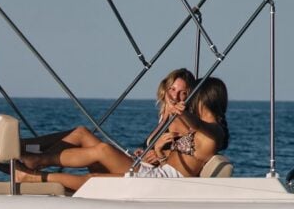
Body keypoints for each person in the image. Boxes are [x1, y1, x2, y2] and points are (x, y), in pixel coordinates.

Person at [14, 77, 229, 192]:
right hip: (156, 171)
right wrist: (157, 152)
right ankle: (29, 151)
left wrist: (180, 113)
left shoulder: (214, 131)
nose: (187, 100)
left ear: (204, 98)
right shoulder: (195, 126)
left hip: (164, 181)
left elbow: (201, 128)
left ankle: (34, 174)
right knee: (82, 134)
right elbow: (178, 155)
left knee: (100, 161)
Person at [17, 67, 196, 172]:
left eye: (182, 93)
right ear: (165, 89)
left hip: (144, 173)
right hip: (137, 164)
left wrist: (157, 155)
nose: (176, 96)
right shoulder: (164, 116)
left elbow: (176, 159)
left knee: (98, 146)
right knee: (81, 133)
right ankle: (25, 147)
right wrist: (142, 152)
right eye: (172, 89)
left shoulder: (179, 122)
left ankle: (34, 160)